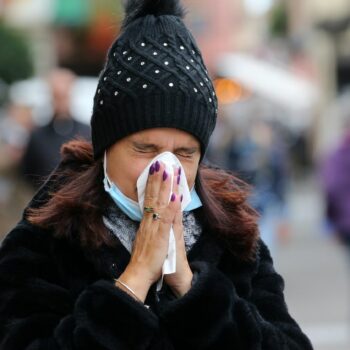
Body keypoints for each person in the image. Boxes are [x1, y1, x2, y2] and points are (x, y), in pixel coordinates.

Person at [0, 1, 313, 349]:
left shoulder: (232, 238)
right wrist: (133, 283)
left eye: (184, 153)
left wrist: (191, 288)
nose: (165, 171)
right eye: (145, 149)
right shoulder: (46, 240)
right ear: (106, 150)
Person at [21, 68, 90, 189]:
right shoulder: (37, 135)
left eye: (64, 96)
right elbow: (27, 172)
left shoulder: (87, 132)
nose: (61, 102)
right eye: (57, 97)